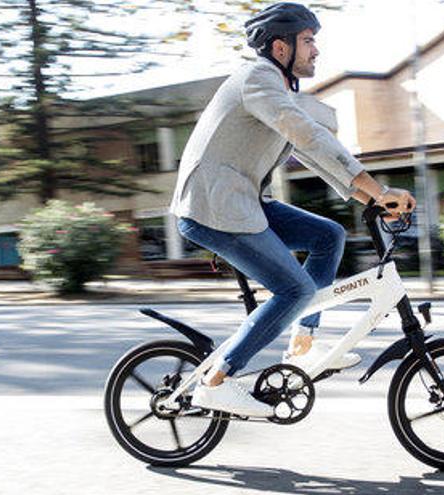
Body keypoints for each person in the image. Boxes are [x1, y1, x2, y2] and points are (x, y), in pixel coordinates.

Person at [169, 2, 416, 417]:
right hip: (213, 207)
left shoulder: (278, 87)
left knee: (329, 236)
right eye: (308, 41)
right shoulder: (257, 78)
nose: (316, 50)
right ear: (280, 47)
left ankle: (303, 344)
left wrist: (372, 199)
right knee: (295, 289)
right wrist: (376, 189)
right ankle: (219, 381)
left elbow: (310, 151)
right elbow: (307, 134)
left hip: (243, 203)